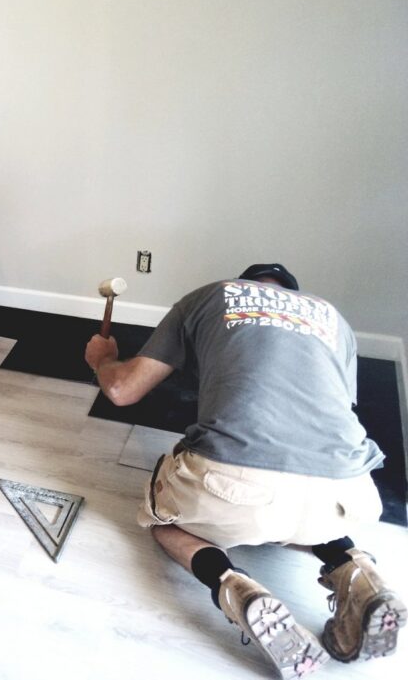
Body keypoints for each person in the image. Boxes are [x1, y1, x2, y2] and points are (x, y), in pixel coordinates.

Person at [85, 263, 405, 677]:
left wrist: (103, 359)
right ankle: (358, 573)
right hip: (350, 490)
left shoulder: (210, 295)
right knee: (297, 511)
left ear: (242, 284)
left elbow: (121, 390)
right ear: (294, 294)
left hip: (238, 487)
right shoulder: (331, 317)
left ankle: (235, 588)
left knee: (164, 522)